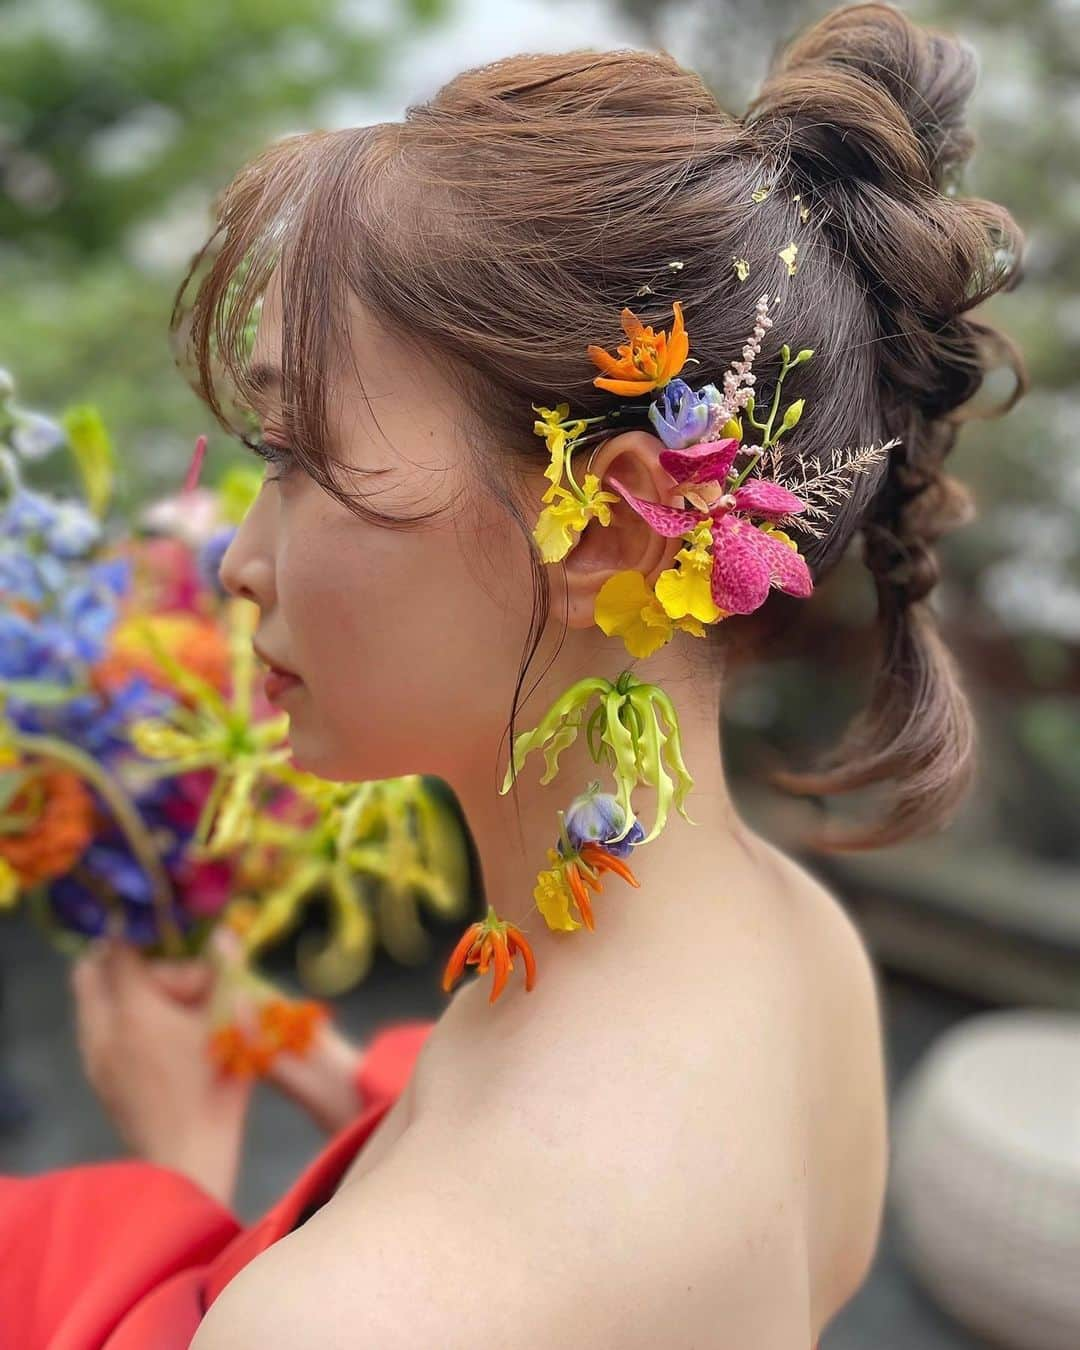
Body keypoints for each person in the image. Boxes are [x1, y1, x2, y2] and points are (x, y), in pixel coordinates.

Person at [0, 3, 1026, 1346]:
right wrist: (309, 1064)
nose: (239, 561)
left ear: (604, 525)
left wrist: (175, 1166)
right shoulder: (802, 952)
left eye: (301, 458)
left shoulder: (354, 1313)